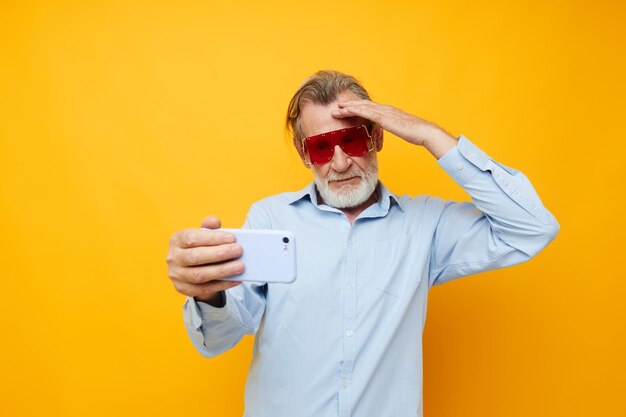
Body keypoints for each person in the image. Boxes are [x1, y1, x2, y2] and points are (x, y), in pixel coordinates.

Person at [166, 70, 559, 417]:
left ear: (377, 138)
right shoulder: (271, 220)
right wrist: (209, 295)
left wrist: (428, 135)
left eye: (352, 141)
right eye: (321, 147)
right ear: (306, 156)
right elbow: (216, 340)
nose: (339, 163)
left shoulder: (427, 225)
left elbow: (531, 227)